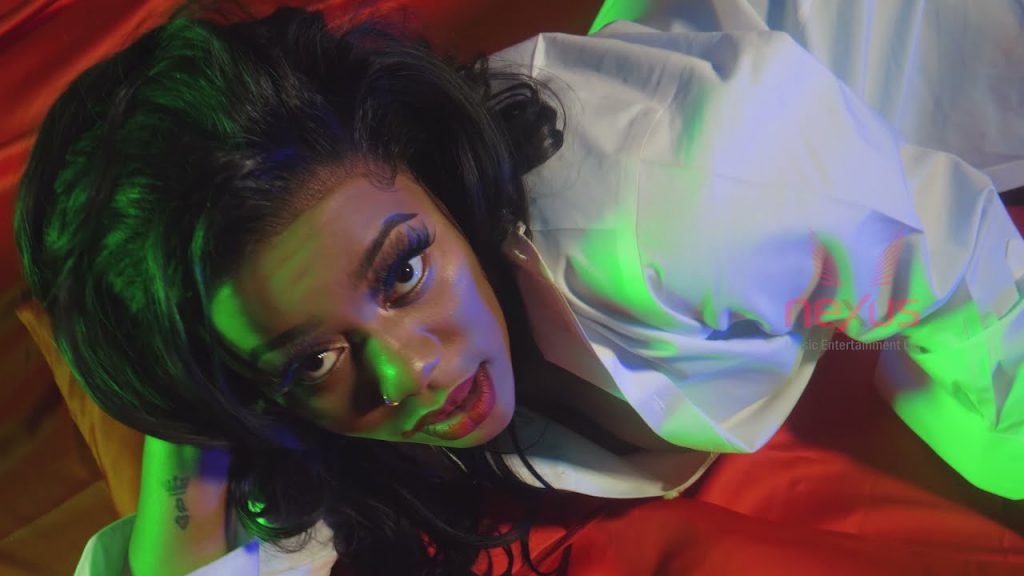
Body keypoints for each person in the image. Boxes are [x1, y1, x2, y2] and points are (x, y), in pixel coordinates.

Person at [15, 3, 1024, 575]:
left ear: (425, 165)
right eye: (314, 356)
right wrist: (193, 433)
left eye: (404, 272)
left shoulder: (686, 199)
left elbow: (965, 270)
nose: (410, 372)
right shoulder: (323, 391)